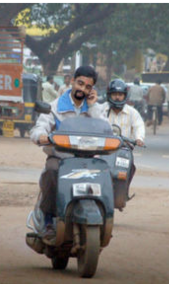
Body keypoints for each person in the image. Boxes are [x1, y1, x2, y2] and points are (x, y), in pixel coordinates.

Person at [30, 66, 105, 244]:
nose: (83, 89)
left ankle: (102, 215)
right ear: (72, 81)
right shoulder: (56, 107)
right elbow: (40, 127)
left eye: (88, 87)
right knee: (50, 171)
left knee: (106, 173)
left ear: (92, 89)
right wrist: (41, 135)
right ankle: (48, 218)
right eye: (80, 83)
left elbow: (105, 128)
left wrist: (93, 107)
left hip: (87, 159)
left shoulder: (95, 107)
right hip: (61, 159)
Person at [100, 79, 145, 189]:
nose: (117, 97)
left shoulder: (132, 112)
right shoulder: (102, 109)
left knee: (131, 167)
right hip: (104, 149)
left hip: (123, 149)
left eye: (120, 94)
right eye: (114, 94)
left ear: (125, 96)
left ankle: (124, 190)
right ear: (109, 95)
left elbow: (139, 125)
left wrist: (139, 138)